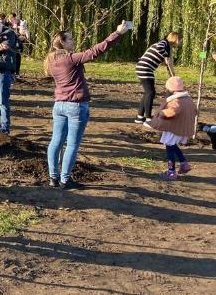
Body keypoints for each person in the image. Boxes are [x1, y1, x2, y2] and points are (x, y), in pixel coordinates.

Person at [44, 21, 131, 189]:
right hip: (75, 106)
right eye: (70, 39)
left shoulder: (51, 61)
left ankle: (53, 178)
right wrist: (117, 33)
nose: (73, 42)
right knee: (72, 144)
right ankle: (65, 180)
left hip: (59, 105)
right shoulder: (69, 59)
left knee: (56, 142)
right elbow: (95, 51)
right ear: (62, 41)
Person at [147, 76, 196, 180]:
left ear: (171, 89)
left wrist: (161, 112)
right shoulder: (188, 99)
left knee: (169, 147)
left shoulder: (176, 100)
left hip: (174, 127)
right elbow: (195, 111)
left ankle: (171, 172)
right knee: (173, 145)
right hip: (183, 126)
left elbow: (173, 111)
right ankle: (184, 164)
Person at [135, 32, 181, 125]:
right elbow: (159, 48)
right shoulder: (164, 43)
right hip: (145, 68)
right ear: (175, 39)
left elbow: (169, 65)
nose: (180, 43)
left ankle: (140, 117)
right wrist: (165, 56)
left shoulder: (168, 47)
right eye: (180, 41)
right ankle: (148, 119)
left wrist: (174, 78)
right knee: (150, 93)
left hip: (146, 68)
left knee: (148, 92)